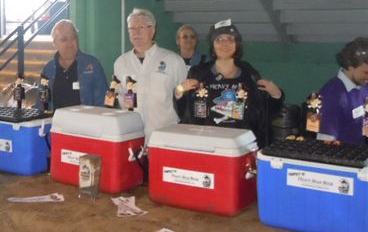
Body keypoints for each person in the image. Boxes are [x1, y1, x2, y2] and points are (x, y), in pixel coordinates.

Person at [175, 19, 284, 148]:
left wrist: (276, 94)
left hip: (241, 147)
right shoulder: (198, 73)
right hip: (206, 145)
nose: (225, 43)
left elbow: (263, 113)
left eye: (230, 39)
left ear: (237, 44)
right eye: (219, 39)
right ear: (212, 45)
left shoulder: (249, 74)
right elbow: (184, 112)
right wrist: (178, 92)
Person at [114, 8, 187, 142]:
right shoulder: (121, 62)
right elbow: (121, 97)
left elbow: (184, 99)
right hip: (131, 136)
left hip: (165, 136)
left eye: (141, 27)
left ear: (152, 30)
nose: (136, 32)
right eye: (132, 28)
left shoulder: (173, 60)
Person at [41, 19, 107, 110]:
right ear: (55, 43)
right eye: (64, 39)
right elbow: (42, 102)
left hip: (86, 118)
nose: (70, 44)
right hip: (56, 119)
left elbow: (104, 102)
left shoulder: (92, 64)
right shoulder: (48, 69)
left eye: (73, 38)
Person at [317, 37, 368, 144]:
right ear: (350, 66)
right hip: (344, 153)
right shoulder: (332, 95)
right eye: (366, 72)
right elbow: (326, 142)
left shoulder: (363, 85)